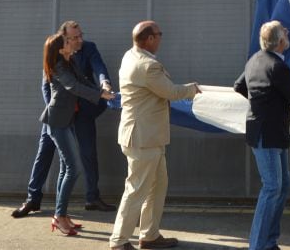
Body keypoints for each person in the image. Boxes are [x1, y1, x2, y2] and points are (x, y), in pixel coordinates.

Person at [109, 21, 201, 250]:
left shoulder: (130, 56)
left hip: (146, 136)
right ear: (149, 39)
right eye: (159, 34)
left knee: (157, 186)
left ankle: (149, 236)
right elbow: (170, 92)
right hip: (143, 138)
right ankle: (119, 241)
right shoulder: (148, 65)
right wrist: (192, 89)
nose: (161, 38)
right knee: (137, 189)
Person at [12, 21, 116, 219]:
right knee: (45, 153)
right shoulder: (54, 55)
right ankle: (33, 199)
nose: (79, 40)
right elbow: (48, 87)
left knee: (88, 153)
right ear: (64, 39)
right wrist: (55, 111)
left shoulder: (88, 48)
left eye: (80, 36)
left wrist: (104, 84)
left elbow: (98, 68)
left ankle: (92, 198)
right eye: (74, 38)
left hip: (83, 111)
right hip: (59, 113)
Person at [234, 20, 290, 250]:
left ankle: (269, 241)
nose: (288, 32)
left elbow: (239, 86)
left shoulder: (254, 60)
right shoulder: (278, 67)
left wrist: (261, 102)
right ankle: (258, 245)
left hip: (266, 132)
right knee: (273, 187)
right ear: (280, 41)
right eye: (285, 31)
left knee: (282, 186)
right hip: (269, 133)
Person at [40, 32, 112, 236]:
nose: (73, 42)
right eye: (68, 41)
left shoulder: (69, 62)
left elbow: (84, 82)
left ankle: (61, 215)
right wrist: (100, 95)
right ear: (61, 47)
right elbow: (73, 86)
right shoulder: (58, 66)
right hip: (56, 122)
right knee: (74, 168)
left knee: (66, 168)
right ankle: (59, 216)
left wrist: (106, 91)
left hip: (66, 121)